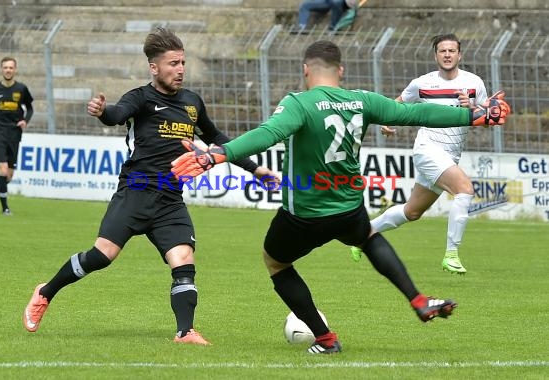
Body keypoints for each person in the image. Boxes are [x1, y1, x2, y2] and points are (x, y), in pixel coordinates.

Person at [170, 40, 509, 353]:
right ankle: (418, 299)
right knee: (367, 236)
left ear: (306, 69)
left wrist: (217, 154)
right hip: (348, 207)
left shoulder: (297, 103)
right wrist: (474, 115)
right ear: (341, 71)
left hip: (304, 213)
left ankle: (326, 338)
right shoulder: (363, 100)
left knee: (276, 262)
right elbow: (417, 114)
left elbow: (267, 134)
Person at [22, 27, 277, 345]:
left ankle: (185, 331)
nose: (180, 69)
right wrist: (103, 113)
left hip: (170, 199)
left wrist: (255, 170)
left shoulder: (192, 103)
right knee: (102, 256)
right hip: (135, 192)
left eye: (182, 62)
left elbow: (219, 141)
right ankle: (45, 292)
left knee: (183, 258)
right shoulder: (141, 98)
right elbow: (117, 114)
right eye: (173, 63)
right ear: (154, 67)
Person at [369, 33, 488, 275]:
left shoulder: (474, 83)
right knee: (464, 189)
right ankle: (451, 254)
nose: (447, 55)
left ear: (459, 54)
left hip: (450, 155)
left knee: (412, 211)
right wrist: (387, 121)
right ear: (436, 56)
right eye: (442, 51)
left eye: (451, 51)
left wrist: (473, 108)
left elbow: (486, 120)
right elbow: (399, 103)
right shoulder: (422, 83)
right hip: (428, 149)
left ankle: (364, 233)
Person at [0, 56, 33, 216]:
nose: (8, 70)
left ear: (15, 70)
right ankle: (5, 208)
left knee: (8, 176)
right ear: (1, 69)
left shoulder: (22, 89)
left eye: (11, 67)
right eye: (5, 67)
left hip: (14, 134)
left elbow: (30, 108)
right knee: (2, 170)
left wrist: (25, 120)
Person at [291, 0, 358, 33]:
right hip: (326, 2)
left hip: (342, 3)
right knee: (305, 5)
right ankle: (302, 26)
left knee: (336, 2)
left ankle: (333, 27)